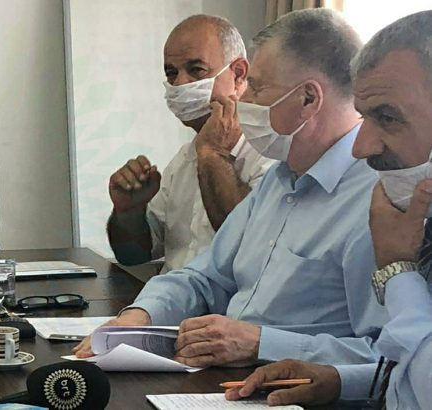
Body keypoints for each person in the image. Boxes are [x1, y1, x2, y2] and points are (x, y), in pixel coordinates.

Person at [76, 9, 385, 369]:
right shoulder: (280, 179)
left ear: (308, 99)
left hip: (294, 388)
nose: (245, 99)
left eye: (257, 87)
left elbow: (389, 357)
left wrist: (260, 344)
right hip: (221, 375)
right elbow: (203, 276)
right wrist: (139, 317)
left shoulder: (379, 199)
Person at [226, 11, 432, 409]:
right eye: (364, 116)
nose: (362, 147)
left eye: (387, 118)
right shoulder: (407, 210)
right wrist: (339, 381)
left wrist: (398, 271)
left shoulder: (384, 209)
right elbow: (407, 372)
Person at [107, 15, 274, 274]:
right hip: (168, 297)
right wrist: (128, 212)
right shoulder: (183, 160)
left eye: (196, 69)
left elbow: (251, 244)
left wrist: (213, 155)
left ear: (239, 74)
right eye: (171, 73)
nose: (180, 84)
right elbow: (133, 255)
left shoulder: (272, 152)